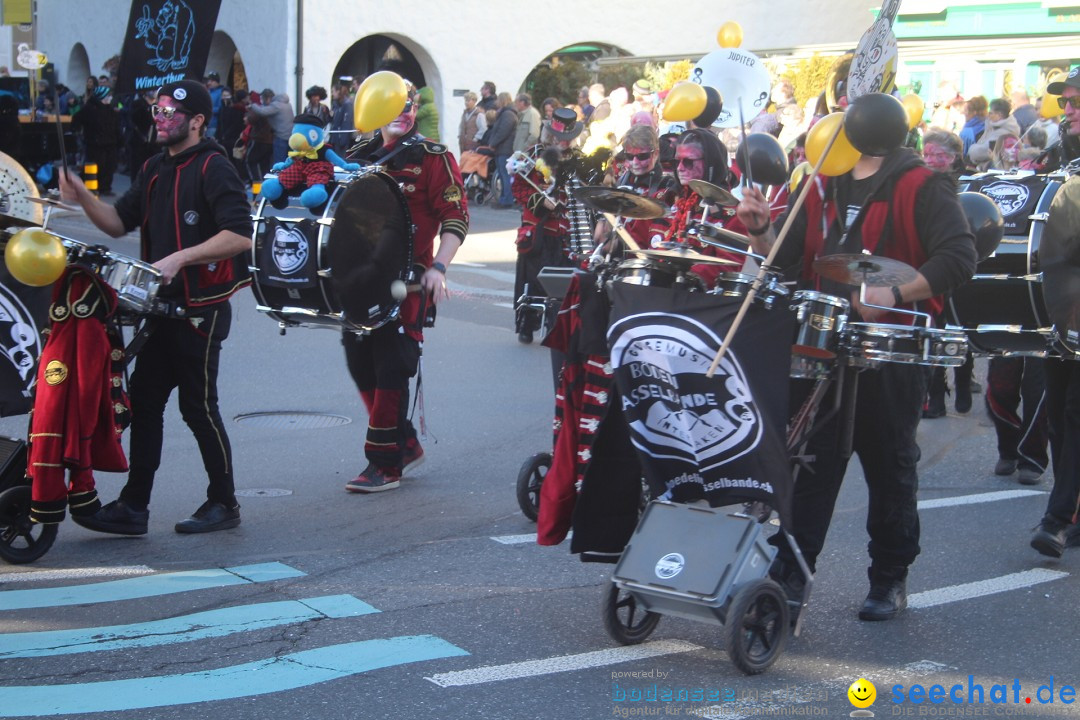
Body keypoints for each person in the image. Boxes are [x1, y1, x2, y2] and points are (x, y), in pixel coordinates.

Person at [737, 143, 977, 621]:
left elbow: (958, 258)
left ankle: (889, 577)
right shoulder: (821, 182)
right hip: (822, 344)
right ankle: (790, 573)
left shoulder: (922, 185)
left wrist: (893, 292)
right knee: (808, 464)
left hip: (891, 349)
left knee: (890, 465)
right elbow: (784, 265)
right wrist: (762, 230)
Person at [59, 80, 252, 535]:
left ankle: (224, 502)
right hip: (159, 310)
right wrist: (82, 195)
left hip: (200, 311)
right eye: (157, 112)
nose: (160, 119)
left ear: (197, 120)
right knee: (144, 405)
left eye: (169, 113)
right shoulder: (152, 168)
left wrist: (181, 257)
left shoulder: (214, 167)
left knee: (198, 408)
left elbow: (240, 234)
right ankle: (134, 506)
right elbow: (116, 223)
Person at [342, 82, 468, 493]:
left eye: (409, 105)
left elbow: (456, 218)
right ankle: (407, 442)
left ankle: (385, 462)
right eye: (394, 105)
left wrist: (438, 268)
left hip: (407, 278)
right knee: (359, 359)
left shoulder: (434, 157)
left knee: (391, 363)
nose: (402, 112)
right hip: (359, 275)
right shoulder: (358, 156)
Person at [1030, 66, 1080, 556]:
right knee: (1059, 416)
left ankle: (1058, 516)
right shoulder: (1063, 154)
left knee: (1074, 411)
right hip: (1062, 302)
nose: (1067, 111)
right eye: (1065, 103)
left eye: (1075, 102)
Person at [511, 107, 586, 344]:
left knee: (562, 282)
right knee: (532, 280)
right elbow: (519, 188)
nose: (560, 142)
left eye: (564, 138)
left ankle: (555, 326)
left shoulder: (579, 159)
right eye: (556, 137)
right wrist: (541, 201)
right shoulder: (533, 154)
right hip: (538, 230)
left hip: (566, 232)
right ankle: (527, 325)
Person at [919, 129, 979, 418]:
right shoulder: (921, 184)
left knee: (960, 329)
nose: (931, 160)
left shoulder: (968, 185)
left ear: (954, 158)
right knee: (935, 331)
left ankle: (964, 383)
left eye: (938, 155)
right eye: (927, 153)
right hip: (931, 264)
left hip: (960, 265)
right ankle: (936, 394)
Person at [70, 85, 123, 196]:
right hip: (95, 143)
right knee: (96, 165)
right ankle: (92, 186)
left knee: (109, 166)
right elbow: (76, 120)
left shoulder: (111, 109)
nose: (110, 98)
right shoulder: (89, 109)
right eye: (108, 96)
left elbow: (116, 126)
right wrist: (79, 131)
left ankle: (105, 188)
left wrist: (119, 140)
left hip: (110, 142)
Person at [969, 98, 1021, 170]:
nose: (988, 115)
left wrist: (972, 148)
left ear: (999, 115)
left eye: (990, 113)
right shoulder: (993, 126)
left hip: (994, 171)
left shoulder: (1004, 132)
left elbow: (978, 153)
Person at [488, 92, 518, 208]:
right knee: (502, 175)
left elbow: (502, 131)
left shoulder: (508, 114)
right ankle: (503, 199)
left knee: (505, 175)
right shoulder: (506, 113)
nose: (496, 102)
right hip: (502, 148)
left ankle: (507, 200)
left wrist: (493, 143)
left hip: (505, 149)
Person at [248, 89, 294, 165]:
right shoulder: (286, 103)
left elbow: (262, 112)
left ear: (268, 98)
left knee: (279, 163)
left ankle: (279, 176)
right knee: (288, 162)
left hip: (281, 137)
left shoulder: (276, 105)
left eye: (262, 100)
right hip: (290, 136)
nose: (262, 102)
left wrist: (252, 105)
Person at [328, 79, 356, 154]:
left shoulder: (347, 104)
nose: (332, 94)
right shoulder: (335, 104)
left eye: (333, 91)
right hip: (334, 138)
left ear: (338, 91)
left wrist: (342, 138)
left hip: (341, 139)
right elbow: (332, 119)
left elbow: (346, 122)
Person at [959, 95, 988, 162]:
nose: (962, 113)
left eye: (965, 110)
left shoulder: (966, 133)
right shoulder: (991, 125)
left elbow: (962, 155)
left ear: (974, 112)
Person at [205, 72, 223, 137]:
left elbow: (221, 109)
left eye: (212, 81)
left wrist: (208, 109)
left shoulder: (221, 92)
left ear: (217, 82)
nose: (209, 83)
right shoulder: (208, 92)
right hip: (206, 124)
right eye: (208, 81)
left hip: (214, 125)